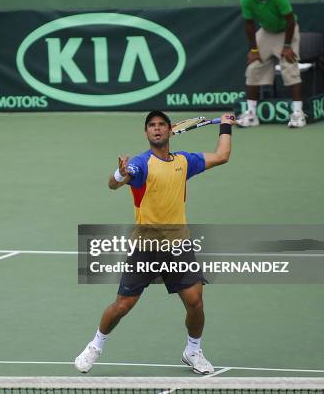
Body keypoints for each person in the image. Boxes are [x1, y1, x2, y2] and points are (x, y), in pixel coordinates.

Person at [74, 111, 234, 375]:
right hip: (146, 248)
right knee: (122, 305)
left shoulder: (185, 161)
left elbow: (222, 156)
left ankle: (193, 350)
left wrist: (226, 127)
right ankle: (95, 345)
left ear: (171, 130)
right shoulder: (141, 164)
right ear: (146, 133)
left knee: (195, 302)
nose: (157, 129)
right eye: (151, 126)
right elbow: (114, 183)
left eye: (161, 125)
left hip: (179, 245)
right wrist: (120, 172)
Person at [237, 0, 306, 128]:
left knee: (289, 67)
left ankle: (298, 114)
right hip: (267, 32)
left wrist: (287, 46)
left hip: (287, 31)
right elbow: (249, 24)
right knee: (253, 68)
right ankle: (251, 115)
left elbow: (290, 20)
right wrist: (254, 49)